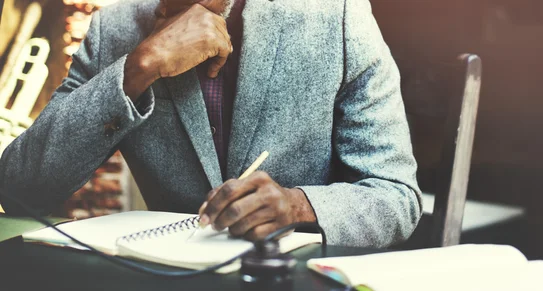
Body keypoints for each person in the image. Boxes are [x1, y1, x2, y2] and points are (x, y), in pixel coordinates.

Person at [0, 0, 422, 248]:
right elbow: (20, 190)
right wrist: (139, 67)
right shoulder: (115, 28)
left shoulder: (336, 14)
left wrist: (298, 205)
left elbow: (396, 196)